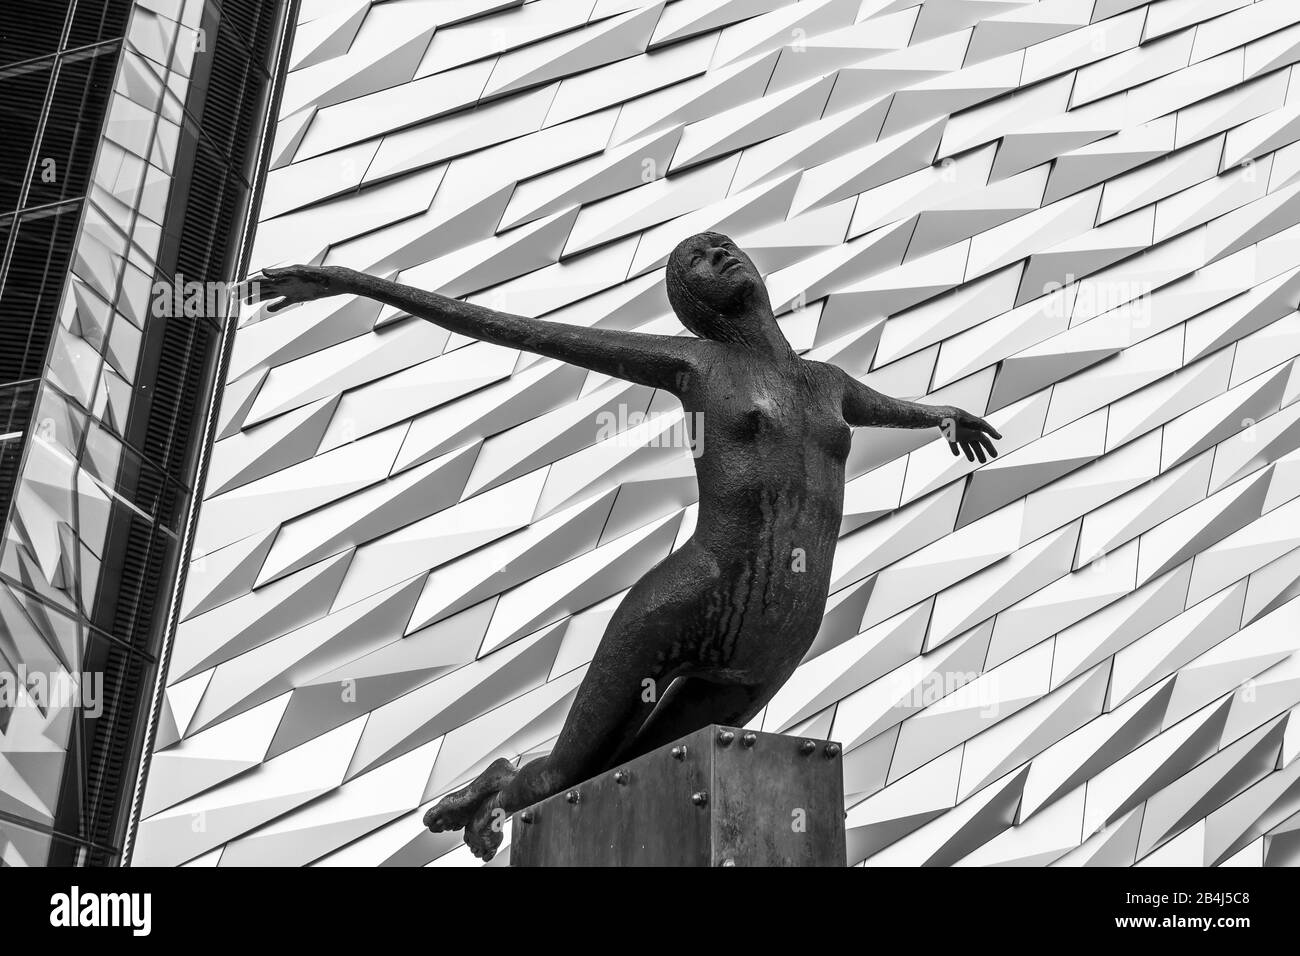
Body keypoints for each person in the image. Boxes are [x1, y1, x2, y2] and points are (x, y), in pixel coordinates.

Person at [249, 231, 1001, 860]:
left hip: (779, 635)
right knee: (577, 772)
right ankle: (504, 786)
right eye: (701, 260)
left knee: (640, 781)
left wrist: (944, 416)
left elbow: (898, 408)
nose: (721, 256)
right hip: (690, 602)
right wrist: (348, 281)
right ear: (693, 303)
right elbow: (510, 327)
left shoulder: (824, 382)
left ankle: (511, 793)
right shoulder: (696, 363)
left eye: (724, 247)